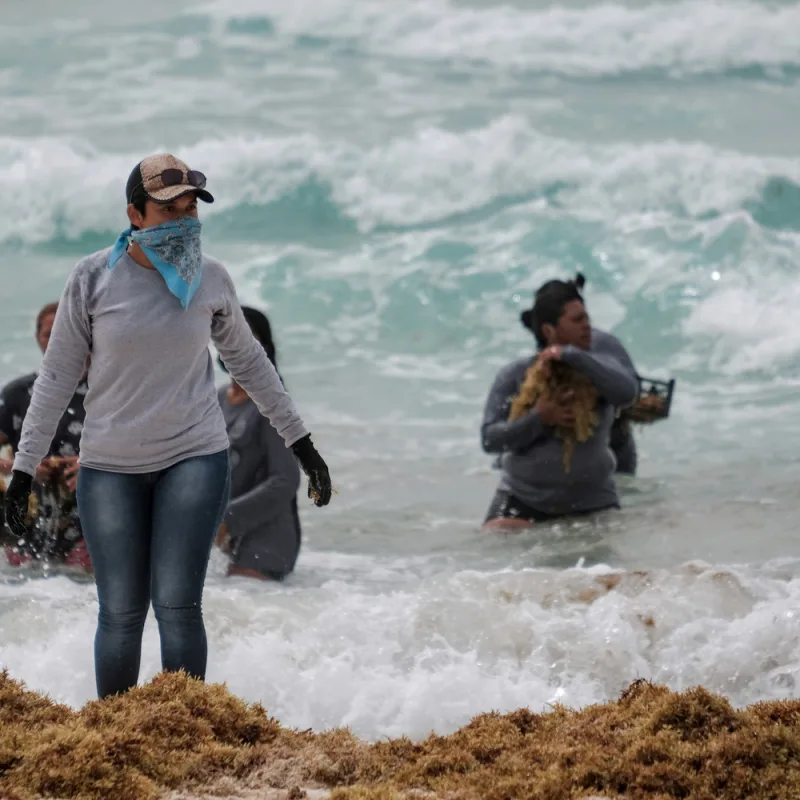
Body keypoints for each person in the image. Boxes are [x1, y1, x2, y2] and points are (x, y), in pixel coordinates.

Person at [3, 154, 332, 699]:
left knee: (178, 604)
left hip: (194, 458)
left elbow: (251, 365)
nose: (183, 222)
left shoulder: (212, 278)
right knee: (121, 612)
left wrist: (304, 446)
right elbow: (57, 378)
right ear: (134, 213)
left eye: (190, 211)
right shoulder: (91, 278)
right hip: (109, 464)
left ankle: (186, 728)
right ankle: (116, 729)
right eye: (168, 210)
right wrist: (21, 471)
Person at [481, 274, 638, 529]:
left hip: (593, 503)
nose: (588, 326)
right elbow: (490, 439)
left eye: (587, 317)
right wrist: (540, 418)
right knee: (491, 544)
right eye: (577, 320)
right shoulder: (515, 375)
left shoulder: (599, 368)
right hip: (524, 501)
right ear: (549, 330)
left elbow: (627, 392)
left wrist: (573, 356)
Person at [0, 302, 91, 572]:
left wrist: (93, 463)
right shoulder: (19, 394)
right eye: (49, 334)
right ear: (37, 339)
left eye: (65, 331)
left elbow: (146, 452)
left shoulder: (110, 392)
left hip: (92, 522)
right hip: (29, 523)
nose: (57, 341)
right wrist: (19, 467)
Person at [215, 306, 303, 580]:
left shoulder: (272, 402)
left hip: (266, 541)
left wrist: (228, 520)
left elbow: (286, 480)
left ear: (263, 347)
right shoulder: (216, 398)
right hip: (224, 540)